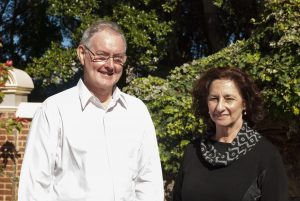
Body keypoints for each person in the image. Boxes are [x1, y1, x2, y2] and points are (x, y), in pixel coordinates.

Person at [18, 19, 164, 201]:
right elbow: (35, 186)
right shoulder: (55, 110)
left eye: (118, 58)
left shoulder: (137, 112)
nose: (110, 65)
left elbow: (149, 183)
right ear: (82, 54)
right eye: (101, 55)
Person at [172, 67, 289, 201]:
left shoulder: (266, 156)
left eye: (229, 98)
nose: (220, 107)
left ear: (244, 103)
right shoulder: (193, 151)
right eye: (214, 98)